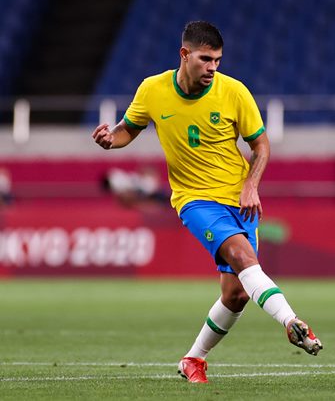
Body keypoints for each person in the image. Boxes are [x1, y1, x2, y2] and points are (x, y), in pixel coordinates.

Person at [92, 21, 322, 384]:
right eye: (205, 59)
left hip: (240, 200)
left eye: (217, 60)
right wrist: (110, 140)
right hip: (195, 200)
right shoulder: (152, 89)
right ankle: (292, 321)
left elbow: (261, 146)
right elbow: (127, 130)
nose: (213, 67)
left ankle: (192, 360)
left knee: (237, 295)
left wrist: (251, 186)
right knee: (243, 256)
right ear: (185, 55)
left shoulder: (234, 92)